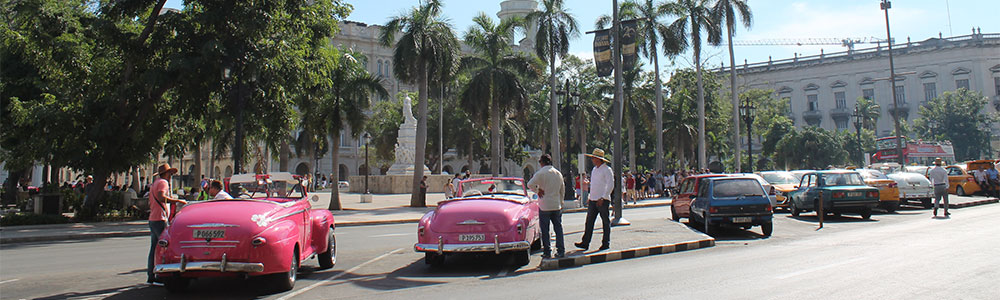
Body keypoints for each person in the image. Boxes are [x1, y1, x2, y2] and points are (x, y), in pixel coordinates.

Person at [147, 164, 187, 285]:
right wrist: (177, 201)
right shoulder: (163, 182)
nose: (171, 176)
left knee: (154, 248)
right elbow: (161, 196)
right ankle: (160, 275)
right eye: (170, 174)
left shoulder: (155, 183)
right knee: (164, 248)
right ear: (166, 174)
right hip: (160, 218)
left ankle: (151, 275)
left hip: (153, 218)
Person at [527, 154, 565, 258]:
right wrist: (561, 203)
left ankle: (547, 251)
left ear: (542, 162)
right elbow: (562, 190)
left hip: (544, 205)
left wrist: (537, 190)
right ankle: (561, 250)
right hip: (556, 204)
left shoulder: (540, 173)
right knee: (558, 228)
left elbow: (529, 184)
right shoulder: (558, 173)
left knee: (545, 230)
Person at [576, 149, 613, 251]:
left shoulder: (607, 170)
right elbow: (593, 185)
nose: (592, 159)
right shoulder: (594, 170)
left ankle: (606, 243)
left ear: (598, 159)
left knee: (605, 222)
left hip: (602, 199)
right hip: (593, 199)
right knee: (589, 222)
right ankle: (585, 242)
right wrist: (590, 196)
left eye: (593, 158)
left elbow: (610, 185)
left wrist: (604, 197)